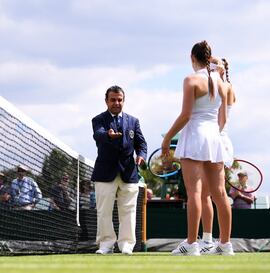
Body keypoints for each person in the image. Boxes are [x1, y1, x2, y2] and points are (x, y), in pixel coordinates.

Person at [162, 41, 234, 256]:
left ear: (192, 57)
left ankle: (192, 244)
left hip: (195, 137)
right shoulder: (221, 83)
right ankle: (225, 245)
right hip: (214, 138)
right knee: (220, 194)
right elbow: (223, 119)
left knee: (195, 193)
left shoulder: (191, 79)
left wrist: (166, 139)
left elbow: (185, 116)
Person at [91, 85, 147, 255]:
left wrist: (141, 155)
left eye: (119, 99)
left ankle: (126, 245)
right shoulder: (98, 119)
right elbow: (98, 135)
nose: (116, 103)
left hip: (129, 172)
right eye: (113, 100)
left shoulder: (133, 121)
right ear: (106, 101)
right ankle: (106, 244)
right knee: (104, 210)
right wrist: (108, 134)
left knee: (129, 210)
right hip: (104, 172)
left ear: (124, 100)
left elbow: (141, 143)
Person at [199, 56, 236, 253]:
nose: (210, 67)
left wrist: (213, 139)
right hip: (215, 140)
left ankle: (224, 243)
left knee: (217, 193)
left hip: (217, 141)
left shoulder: (223, 86)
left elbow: (221, 121)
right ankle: (208, 240)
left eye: (213, 64)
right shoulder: (219, 85)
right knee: (205, 193)